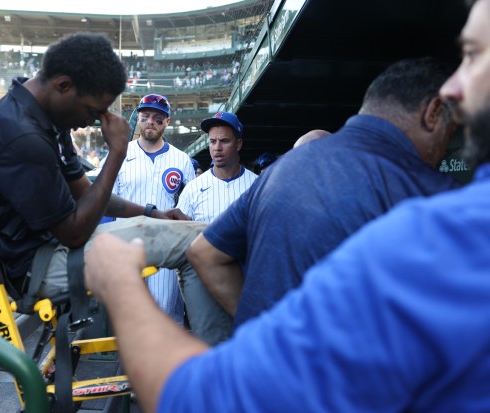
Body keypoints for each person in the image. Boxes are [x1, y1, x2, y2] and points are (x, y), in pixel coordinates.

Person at [83, 2, 490, 409]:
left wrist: (120, 285)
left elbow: (203, 394)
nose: (456, 87)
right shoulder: (430, 204)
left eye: (473, 56)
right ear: (433, 112)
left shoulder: (286, 172)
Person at [187, 56, 462, 327]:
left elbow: (205, 253)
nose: (441, 149)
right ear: (434, 113)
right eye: (450, 131)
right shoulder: (425, 192)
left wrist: (261, 328)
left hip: (261, 360)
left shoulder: (279, 170)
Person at [0, 33, 205, 309]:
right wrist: (117, 153)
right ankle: (224, 348)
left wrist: (152, 213)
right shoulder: (22, 135)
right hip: (41, 267)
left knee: (201, 234)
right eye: (93, 109)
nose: (91, 120)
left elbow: (87, 194)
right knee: (199, 242)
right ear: (64, 85)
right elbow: (75, 233)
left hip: (57, 247)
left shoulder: (45, 117)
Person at [107, 93, 195, 324]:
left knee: (166, 311)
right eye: (145, 116)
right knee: (128, 315)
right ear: (139, 118)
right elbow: (106, 199)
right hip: (127, 243)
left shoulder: (181, 159)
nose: (150, 122)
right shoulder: (120, 153)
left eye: (158, 118)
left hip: (165, 246)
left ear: (167, 122)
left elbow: (188, 206)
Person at [176, 112, 258, 344]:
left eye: (225, 141)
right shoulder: (193, 188)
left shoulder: (256, 185)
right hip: (204, 281)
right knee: (208, 344)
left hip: (244, 281)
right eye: (212, 142)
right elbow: (182, 239)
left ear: (239, 144)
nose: (217, 148)